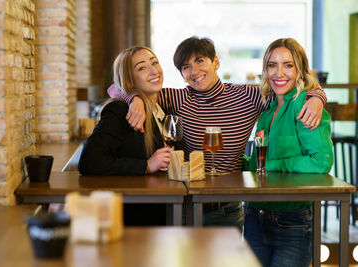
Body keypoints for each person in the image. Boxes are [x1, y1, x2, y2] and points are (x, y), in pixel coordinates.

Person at [108, 36, 327, 230]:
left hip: (228, 209)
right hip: (185, 205)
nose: (194, 71)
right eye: (186, 67)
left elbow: (289, 87)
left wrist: (317, 98)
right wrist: (134, 99)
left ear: (216, 62)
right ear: (182, 74)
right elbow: (115, 88)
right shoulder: (175, 99)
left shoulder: (248, 97)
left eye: (200, 61)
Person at [243, 38, 333, 267]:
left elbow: (320, 161)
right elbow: (257, 166)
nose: (278, 73)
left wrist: (276, 165)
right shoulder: (268, 109)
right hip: (254, 216)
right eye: (272, 65)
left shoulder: (305, 105)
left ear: (300, 69)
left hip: (292, 221)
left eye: (288, 65)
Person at [78, 46, 172, 225]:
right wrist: (145, 165)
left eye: (155, 63)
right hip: (133, 218)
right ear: (130, 80)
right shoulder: (120, 110)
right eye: (141, 67)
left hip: (161, 209)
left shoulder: (162, 106)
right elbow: (90, 161)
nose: (153, 71)